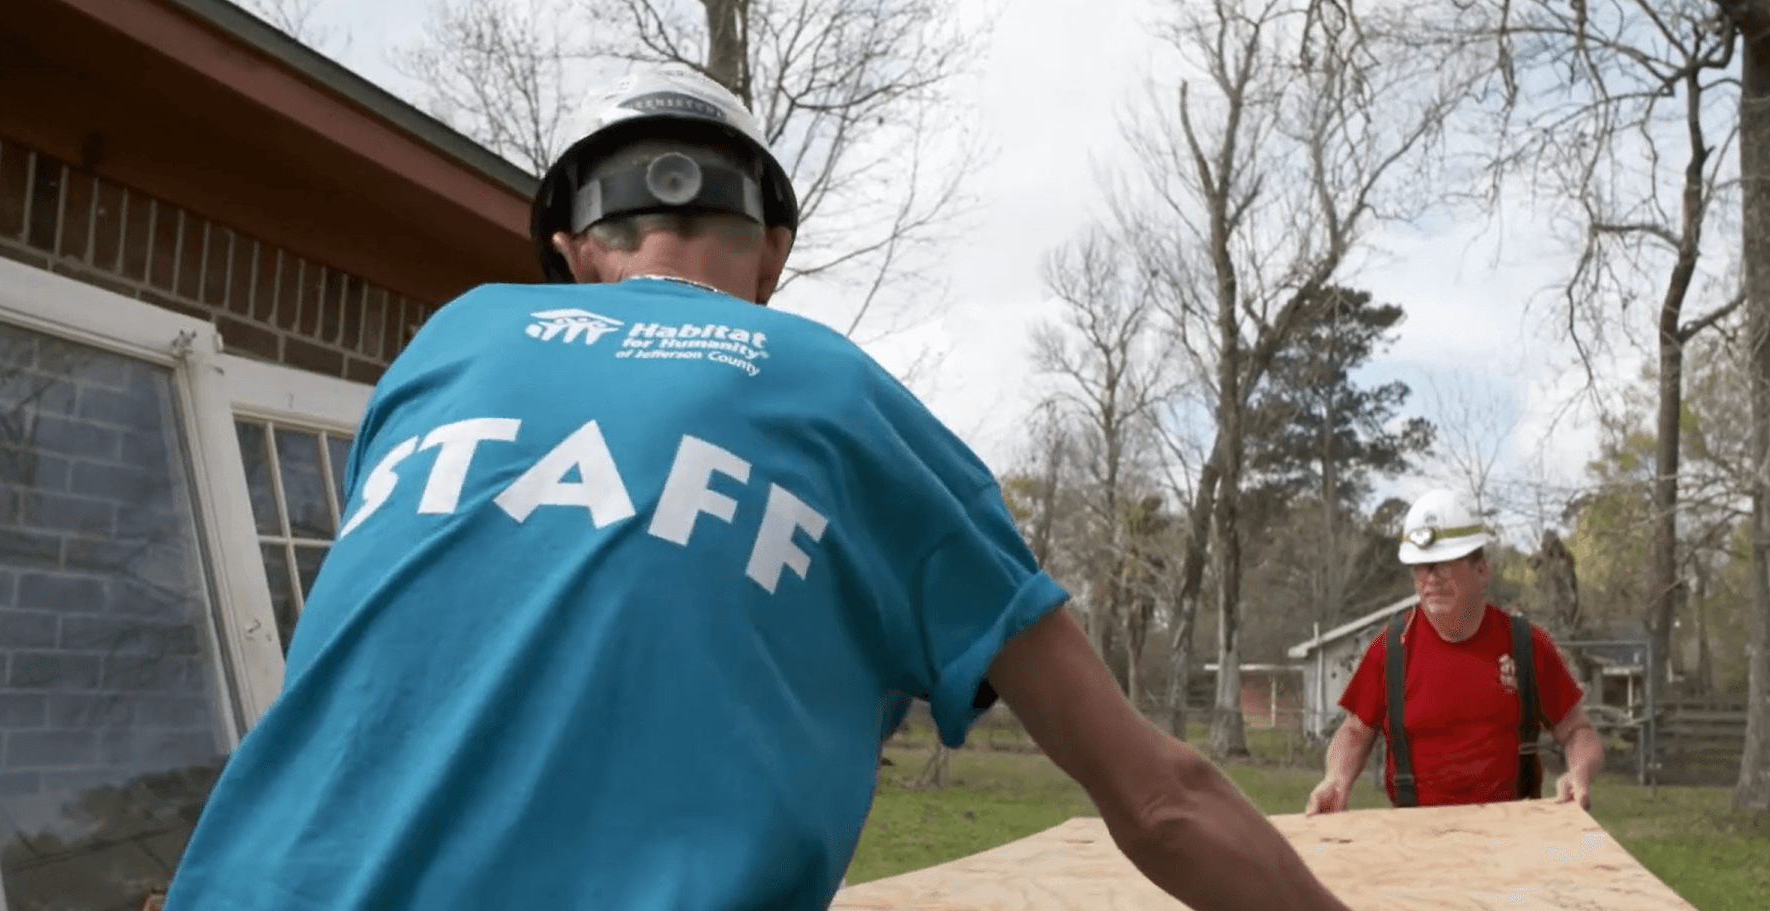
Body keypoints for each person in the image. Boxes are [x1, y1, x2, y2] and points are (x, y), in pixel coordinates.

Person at [162, 66, 1351, 911]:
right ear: (771, 248)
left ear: (569, 247)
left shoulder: (451, 344)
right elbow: (1161, 800)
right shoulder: (841, 396)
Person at [1305, 488, 1604, 816]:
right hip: (1414, 835)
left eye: (1444, 564)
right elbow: (1354, 731)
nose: (1431, 578)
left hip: (1512, 835)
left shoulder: (1526, 644)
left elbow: (1578, 730)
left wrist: (1579, 772)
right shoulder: (1391, 649)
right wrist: (1335, 779)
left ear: (1481, 571)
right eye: (1420, 566)